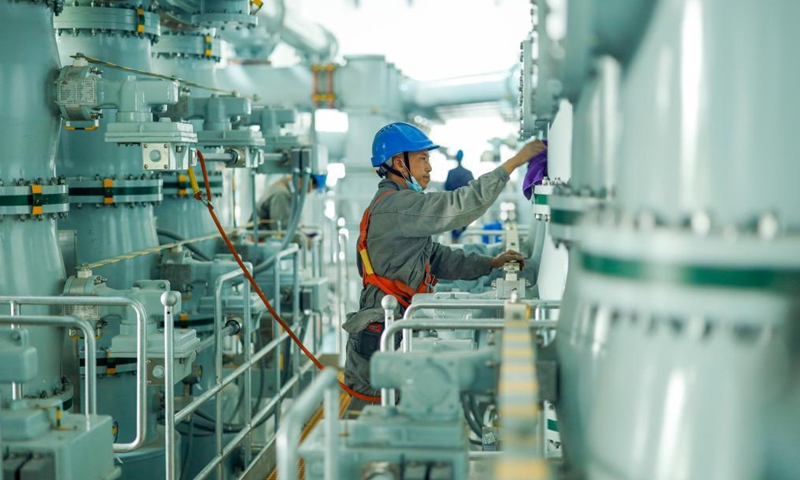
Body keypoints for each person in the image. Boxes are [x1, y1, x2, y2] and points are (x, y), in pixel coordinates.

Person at [343, 121, 547, 410]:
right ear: (399, 163)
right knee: (378, 418)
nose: (429, 167)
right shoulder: (398, 206)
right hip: (382, 333)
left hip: (395, 322)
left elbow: (436, 258)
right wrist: (513, 163)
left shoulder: (398, 203)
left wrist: (490, 263)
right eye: (423, 158)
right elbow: (459, 205)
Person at [256, 174, 324, 231]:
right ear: (302, 179)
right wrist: (302, 238)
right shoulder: (281, 194)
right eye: (309, 187)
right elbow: (282, 229)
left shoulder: (283, 189)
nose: (308, 192)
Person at [443, 149, 475, 241]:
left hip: (453, 205)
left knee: (453, 228)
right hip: (465, 205)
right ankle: (461, 242)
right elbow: (473, 188)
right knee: (464, 229)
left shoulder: (451, 172)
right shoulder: (468, 173)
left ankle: (455, 242)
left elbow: (446, 187)